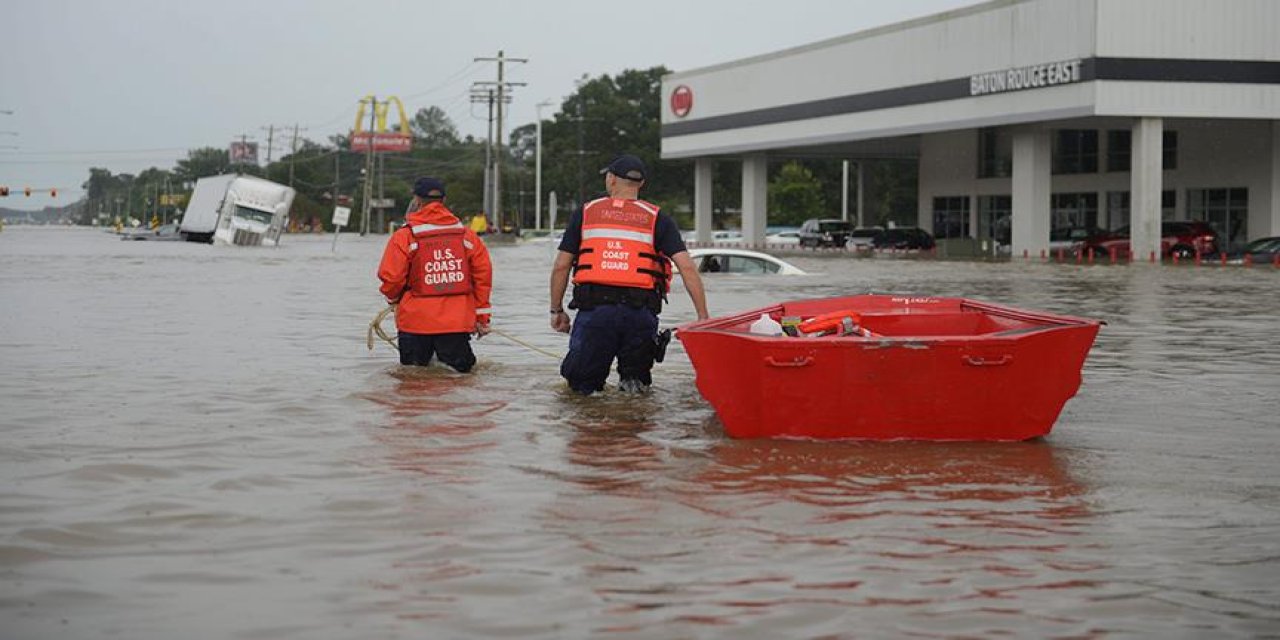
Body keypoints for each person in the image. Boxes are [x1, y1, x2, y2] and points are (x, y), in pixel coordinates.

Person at [549, 154, 709, 395]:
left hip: (596, 314)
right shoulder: (658, 218)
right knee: (635, 390)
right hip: (640, 316)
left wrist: (557, 310)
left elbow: (561, 265)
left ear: (611, 180)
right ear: (640, 184)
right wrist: (702, 316)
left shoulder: (586, 213)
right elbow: (687, 267)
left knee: (581, 394)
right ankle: (631, 429)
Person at [378, 177, 493, 372]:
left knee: (413, 384)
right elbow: (483, 277)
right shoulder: (467, 236)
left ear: (416, 200)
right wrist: (482, 318)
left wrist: (393, 300)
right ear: (444, 200)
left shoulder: (404, 236)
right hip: (456, 323)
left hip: (414, 322)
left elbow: (391, 278)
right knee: (458, 385)